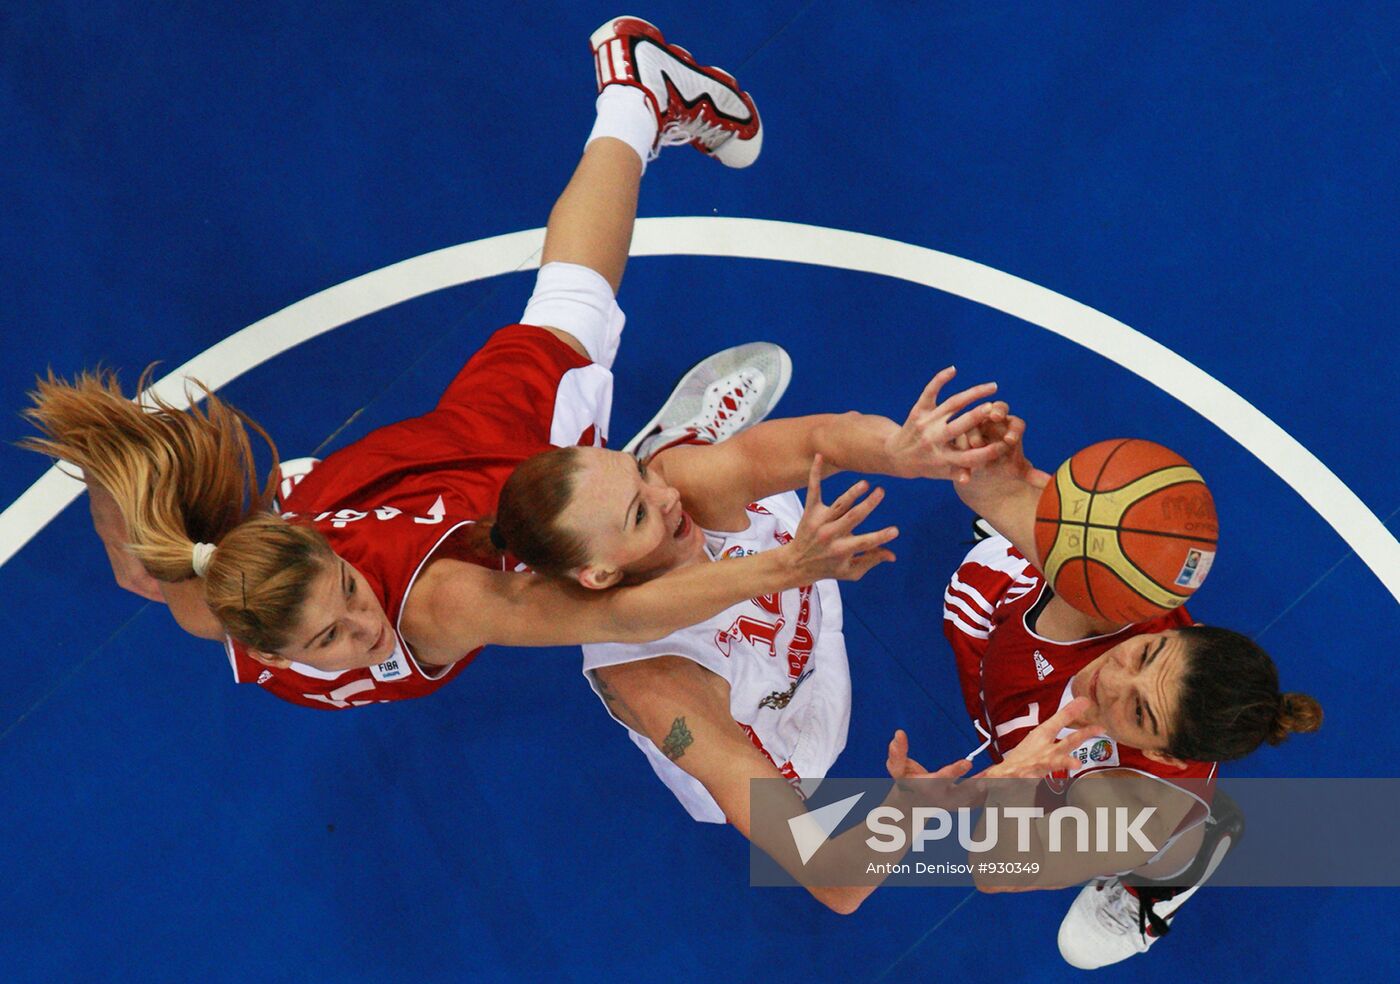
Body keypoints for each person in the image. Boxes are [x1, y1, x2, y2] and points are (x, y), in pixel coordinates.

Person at [20, 17, 895, 710]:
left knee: (575, 316)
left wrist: (795, 565)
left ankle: (647, 458)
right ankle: (636, 478)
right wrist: (116, 483)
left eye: (348, 598)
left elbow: (829, 865)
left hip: (489, 475)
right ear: (259, 647)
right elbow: (142, 547)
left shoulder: (470, 618)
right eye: (328, 638)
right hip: (837, 741)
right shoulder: (206, 601)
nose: (364, 630)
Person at [471, 365, 1087, 911]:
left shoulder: (684, 489)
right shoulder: (656, 684)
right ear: (599, 575)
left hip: (800, 619)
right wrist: (911, 808)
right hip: (766, 733)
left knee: (713, 462)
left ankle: (664, 440)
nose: (666, 495)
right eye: (638, 512)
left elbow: (822, 439)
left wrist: (902, 448)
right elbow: (833, 882)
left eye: (639, 472)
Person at [938, 412, 1323, 968]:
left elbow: (995, 871)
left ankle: (1171, 877)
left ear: (1161, 750)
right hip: (1023, 676)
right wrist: (998, 477)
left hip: (1072, 778)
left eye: (1139, 710)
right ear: (1175, 633)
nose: (1110, 678)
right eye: (1146, 654)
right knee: (995, 573)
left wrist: (1016, 781)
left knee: (1098, 923)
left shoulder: (1131, 819)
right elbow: (996, 494)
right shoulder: (1121, 600)